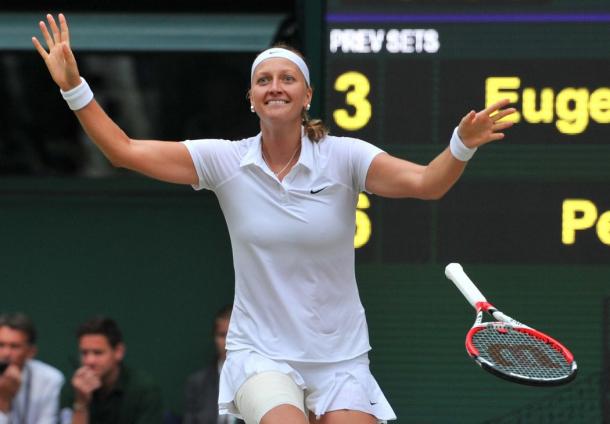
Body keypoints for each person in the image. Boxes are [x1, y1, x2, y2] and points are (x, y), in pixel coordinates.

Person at [33, 13, 516, 424]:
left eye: (287, 79)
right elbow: (123, 151)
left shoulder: (345, 157)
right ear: (251, 98)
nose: (275, 87)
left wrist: (462, 144)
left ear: (306, 96)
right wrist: (74, 87)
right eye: (264, 80)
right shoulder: (223, 161)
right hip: (261, 355)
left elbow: (428, 183)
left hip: (341, 358)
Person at [59, 316, 163, 424]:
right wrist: (81, 404)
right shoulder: (74, 389)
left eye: (98, 353)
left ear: (119, 352)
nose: (90, 361)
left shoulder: (144, 390)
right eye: (84, 353)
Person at [0, 312, 65, 424]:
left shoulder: (50, 379)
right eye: (0, 345)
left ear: (31, 351)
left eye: (14, 346)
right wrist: (3, 400)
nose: (6, 353)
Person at [184, 305, 244, 424]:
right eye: (222, 335)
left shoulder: (258, 379)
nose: (228, 342)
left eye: (232, 335)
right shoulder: (197, 383)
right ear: (214, 337)